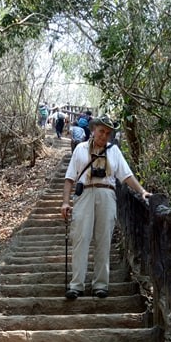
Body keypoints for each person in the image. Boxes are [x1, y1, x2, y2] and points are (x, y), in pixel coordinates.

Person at [60, 114, 151, 299]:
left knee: (104, 239)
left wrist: (142, 191)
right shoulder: (80, 148)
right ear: (93, 130)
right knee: (80, 238)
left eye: (108, 133)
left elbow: (126, 175)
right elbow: (69, 178)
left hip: (107, 193)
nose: (104, 135)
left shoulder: (114, 151)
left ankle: (101, 284)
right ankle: (77, 285)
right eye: (101, 131)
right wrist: (65, 202)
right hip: (84, 193)